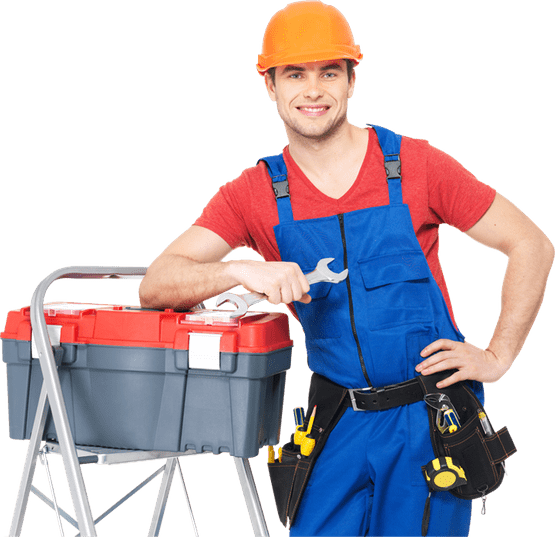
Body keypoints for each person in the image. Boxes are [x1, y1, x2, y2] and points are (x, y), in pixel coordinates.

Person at [139, 1, 553, 535]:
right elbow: (157, 284)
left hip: (427, 420)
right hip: (335, 421)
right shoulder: (257, 192)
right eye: (295, 74)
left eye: (328, 72)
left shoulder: (412, 165)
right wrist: (239, 271)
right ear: (270, 85)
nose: (313, 90)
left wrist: (498, 355)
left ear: (351, 79)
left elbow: (531, 244)